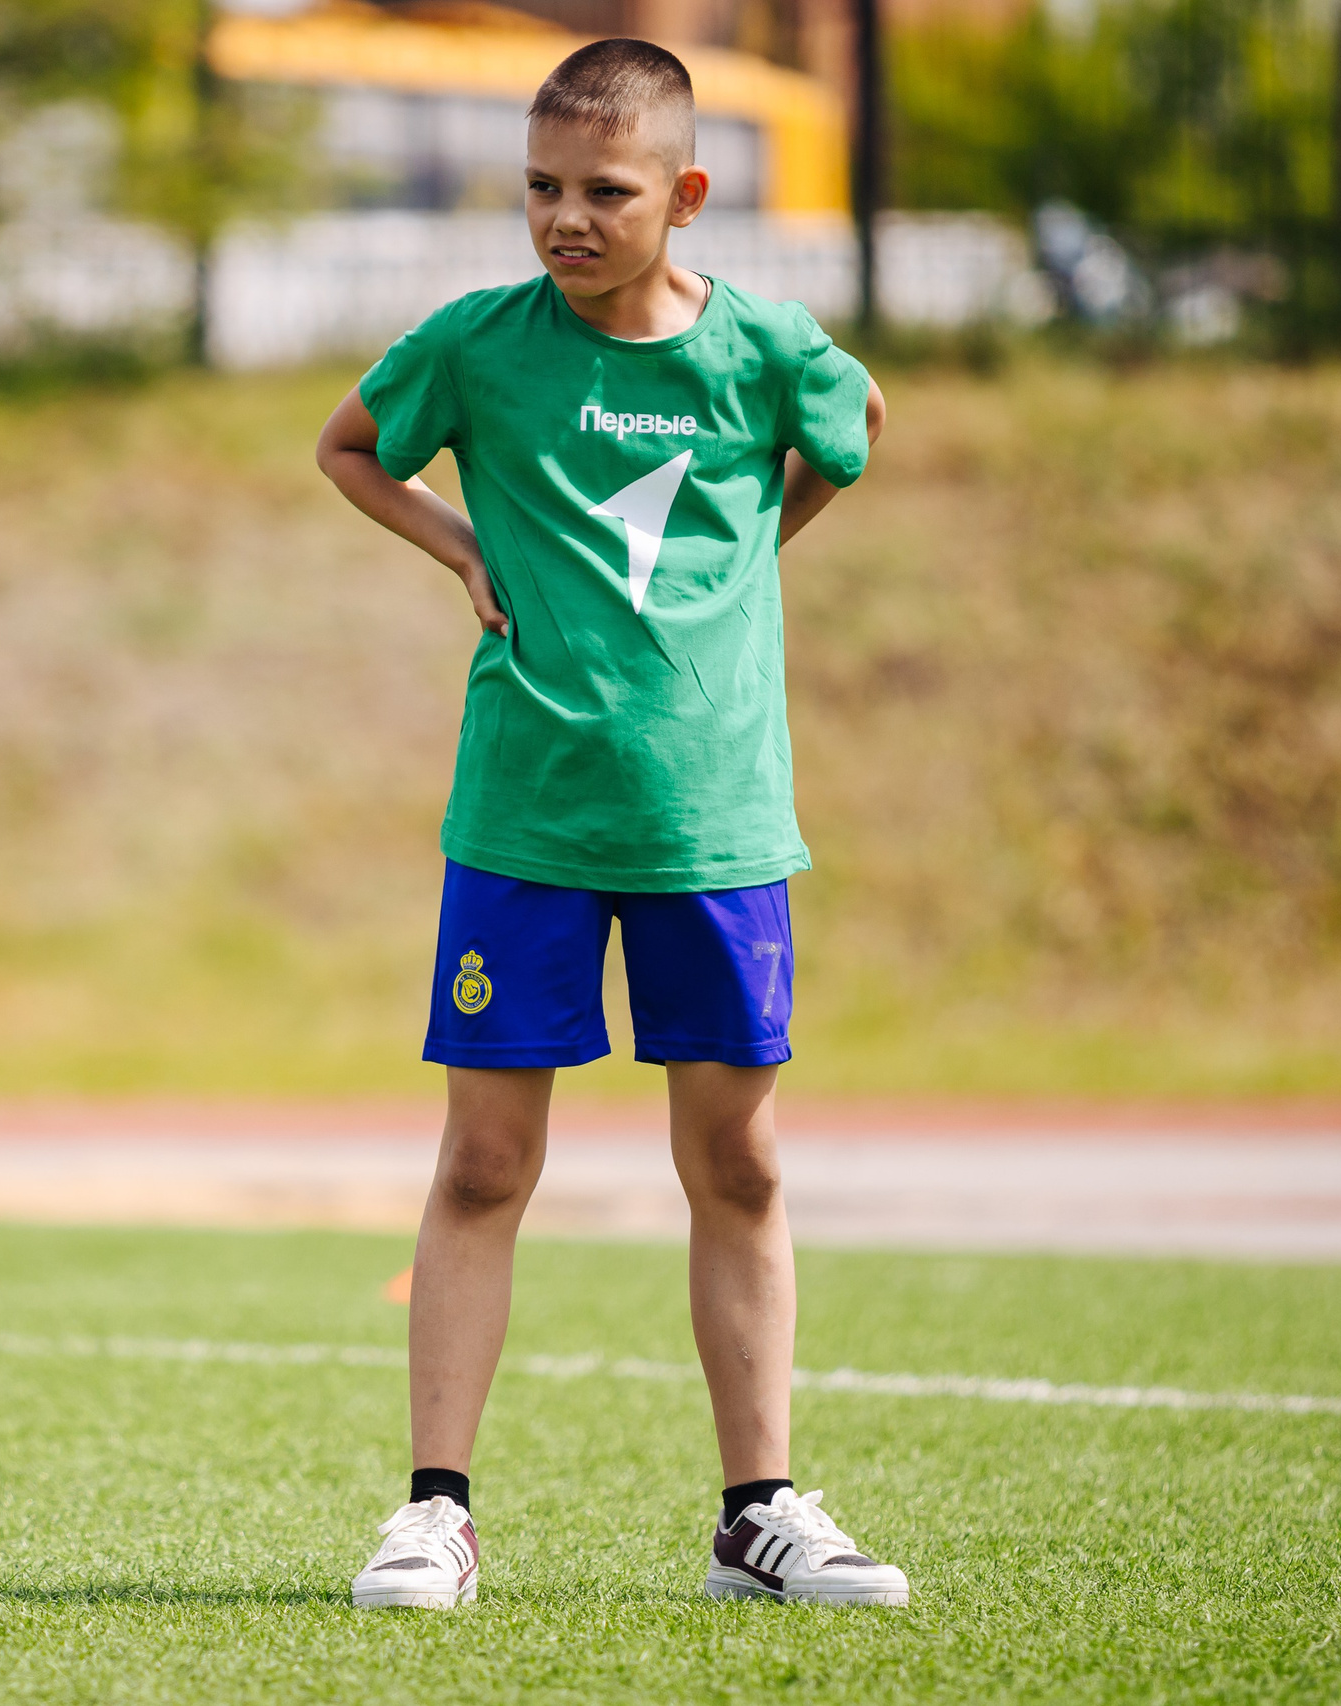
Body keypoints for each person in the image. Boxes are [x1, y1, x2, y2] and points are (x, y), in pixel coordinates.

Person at [315, 39, 907, 1610]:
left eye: (605, 192)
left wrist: (743, 570)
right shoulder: (478, 346)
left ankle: (759, 1516)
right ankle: (435, 1510)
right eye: (540, 189)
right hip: (524, 818)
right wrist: (455, 546)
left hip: (717, 824)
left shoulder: (771, 350)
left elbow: (839, 447)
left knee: (742, 1163)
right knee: (488, 1161)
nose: (564, 220)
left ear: (687, 197)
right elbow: (350, 448)